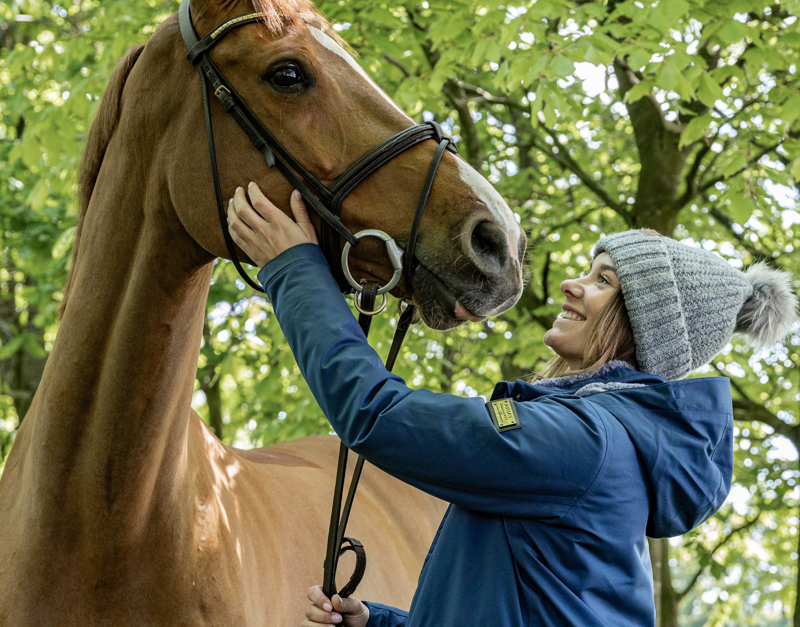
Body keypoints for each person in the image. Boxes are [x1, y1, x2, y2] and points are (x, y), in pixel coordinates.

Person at [226, 182, 798, 627]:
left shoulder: (582, 442)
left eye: (604, 281)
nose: (572, 284)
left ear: (640, 326)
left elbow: (377, 413)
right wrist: (381, 622)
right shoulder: (602, 442)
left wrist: (294, 268)